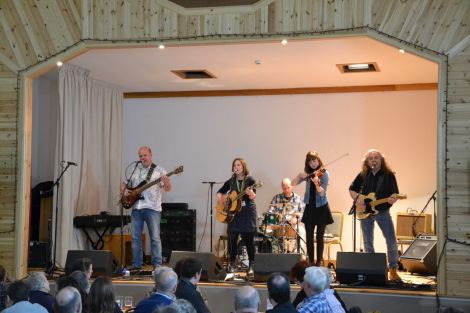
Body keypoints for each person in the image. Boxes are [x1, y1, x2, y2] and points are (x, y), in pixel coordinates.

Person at [348, 149, 402, 282]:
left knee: (391, 241)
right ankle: (370, 269)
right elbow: (352, 189)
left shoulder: (388, 175)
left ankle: (393, 270)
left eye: (376, 157)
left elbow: (394, 193)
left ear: (381, 160)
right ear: (366, 161)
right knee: (367, 242)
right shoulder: (363, 175)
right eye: (370, 158)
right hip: (365, 212)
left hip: (382, 211)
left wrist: (392, 198)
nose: (373, 160)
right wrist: (357, 200)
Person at [121, 146, 172, 270]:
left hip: (152, 208)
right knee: (135, 237)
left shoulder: (159, 170)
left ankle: (157, 265)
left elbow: (168, 188)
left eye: (144, 155)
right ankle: (136, 264)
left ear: (150, 155)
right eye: (140, 156)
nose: (142, 158)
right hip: (136, 207)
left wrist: (166, 182)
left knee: (154, 237)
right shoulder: (135, 169)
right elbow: (123, 184)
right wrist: (125, 191)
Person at [216, 158, 257, 275]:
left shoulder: (250, 180)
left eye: (238, 165)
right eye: (234, 165)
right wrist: (223, 201)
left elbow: (253, 196)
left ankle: (252, 265)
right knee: (232, 238)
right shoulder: (231, 181)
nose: (236, 167)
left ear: (243, 167)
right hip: (235, 213)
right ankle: (231, 263)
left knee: (249, 239)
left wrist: (250, 193)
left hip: (248, 212)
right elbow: (219, 193)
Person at [292, 150, 333, 266]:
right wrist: (300, 175)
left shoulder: (324, 173)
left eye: (314, 161)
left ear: (318, 160)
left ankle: (318, 263)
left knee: (320, 238)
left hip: (321, 208)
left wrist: (317, 183)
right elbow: (292, 183)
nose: (313, 164)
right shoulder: (308, 174)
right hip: (310, 207)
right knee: (309, 238)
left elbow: (322, 193)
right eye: (310, 162)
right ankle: (310, 262)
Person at [268, 178, 304, 249]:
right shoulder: (276, 198)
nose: (286, 190)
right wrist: (277, 217)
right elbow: (270, 212)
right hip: (279, 225)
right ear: (282, 188)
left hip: (293, 226)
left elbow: (302, 212)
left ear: (292, 186)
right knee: (268, 232)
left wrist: (296, 219)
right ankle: (275, 254)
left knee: (302, 231)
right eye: (284, 188)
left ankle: (299, 255)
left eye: (288, 188)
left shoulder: (298, 198)